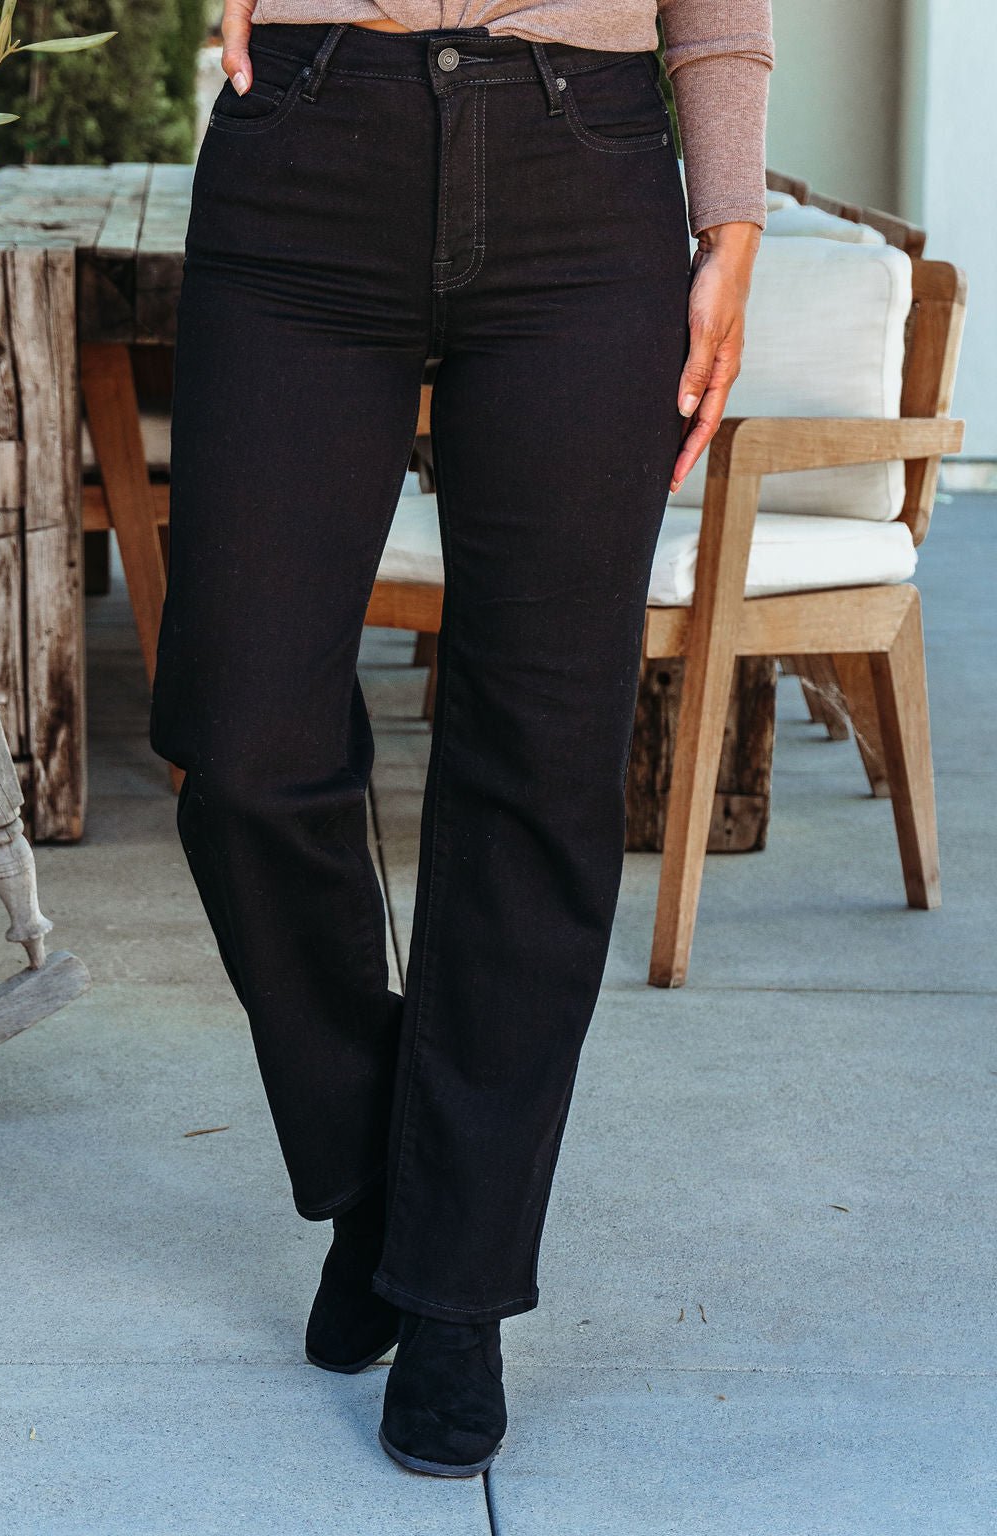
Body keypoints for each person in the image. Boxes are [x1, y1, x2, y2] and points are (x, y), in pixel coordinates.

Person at [149, 0, 774, 1479]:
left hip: (585, 173)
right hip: (309, 141)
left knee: (541, 759)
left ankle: (454, 1287)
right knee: (237, 739)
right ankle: (382, 1175)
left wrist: (732, 215)